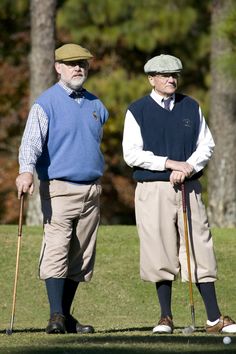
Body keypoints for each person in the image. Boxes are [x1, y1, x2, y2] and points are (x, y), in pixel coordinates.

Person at [122, 54, 236, 334]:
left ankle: (213, 318)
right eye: (164, 75)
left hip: (189, 186)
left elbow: (205, 145)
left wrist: (187, 168)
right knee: (159, 248)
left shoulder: (191, 107)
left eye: (174, 75)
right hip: (153, 188)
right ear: (151, 79)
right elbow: (131, 154)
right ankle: (165, 317)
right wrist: (168, 163)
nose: (171, 79)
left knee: (200, 246)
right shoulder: (137, 110)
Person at [16, 43, 109, 334]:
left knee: (80, 256)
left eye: (82, 63)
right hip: (59, 187)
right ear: (58, 67)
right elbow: (31, 142)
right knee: (56, 248)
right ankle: (55, 315)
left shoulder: (96, 105)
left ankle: (65, 317)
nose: (78, 68)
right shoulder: (46, 103)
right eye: (71, 64)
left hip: (92, 191)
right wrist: (25, 172)